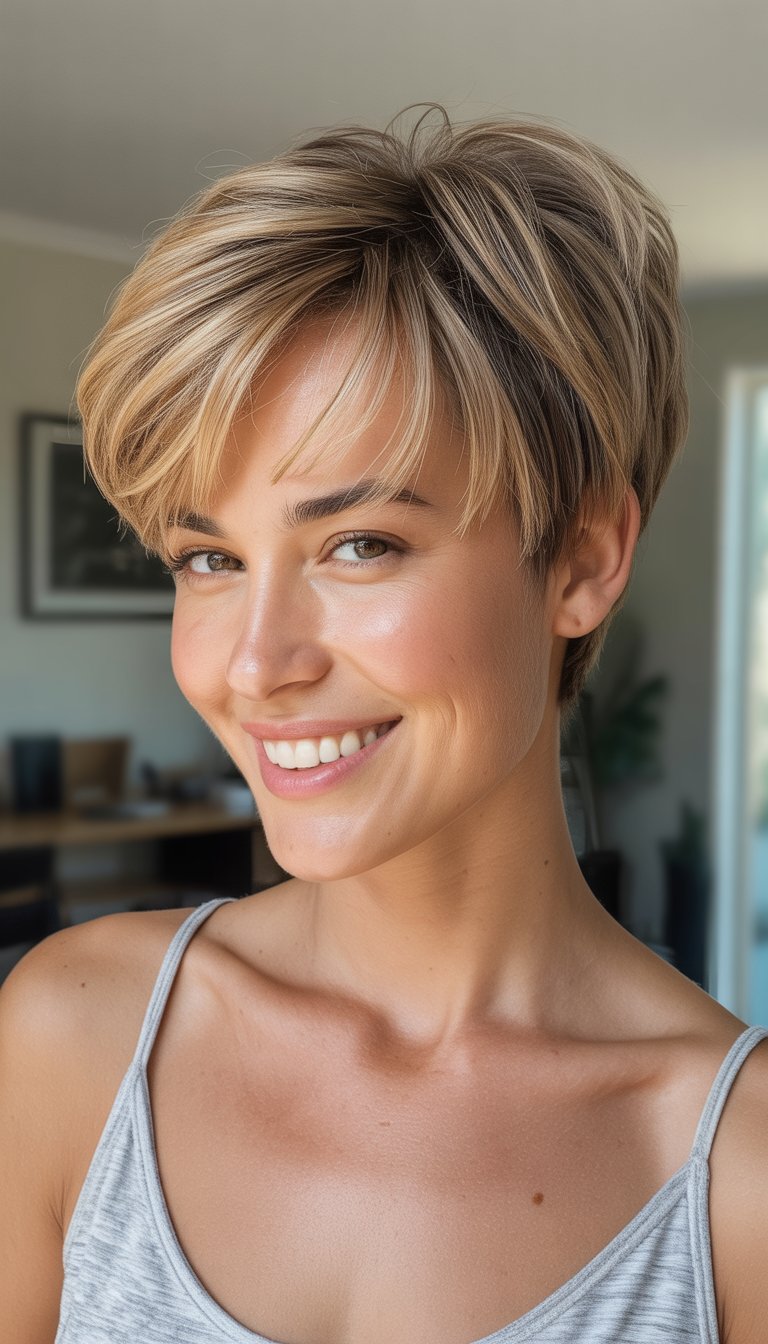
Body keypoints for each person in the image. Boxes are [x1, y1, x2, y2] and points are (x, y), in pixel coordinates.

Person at [1, 106, 766, 1344]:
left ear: (581, 557)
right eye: (207, 557)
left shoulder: (737, 1186)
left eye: (361, 545)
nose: (255, 664)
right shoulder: (71, 1041)